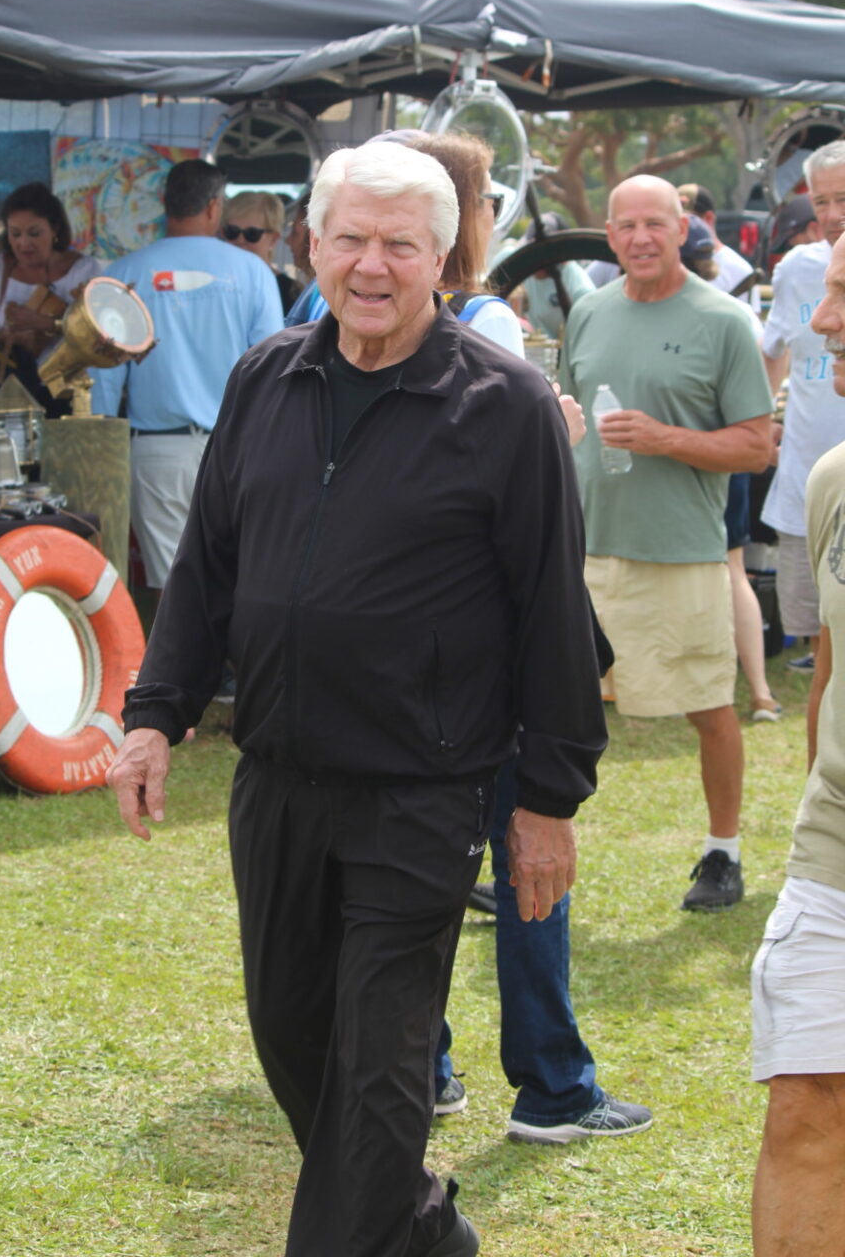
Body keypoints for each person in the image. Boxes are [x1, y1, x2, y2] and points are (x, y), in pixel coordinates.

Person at [106, 141, 609, 1257]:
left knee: (379, 1080)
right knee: (295, 1044)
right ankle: (428, 1235)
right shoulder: (263, 377)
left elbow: (549, 614)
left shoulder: (506, 405)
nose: (371, 265)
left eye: (400, 244)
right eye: (351, 238)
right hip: (276, 782)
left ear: (442, 257)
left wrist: (548, 801)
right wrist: (155, 712)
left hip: (420, 797)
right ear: (311, 245)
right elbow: (208, 567)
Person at [409, 131, 651, 1144]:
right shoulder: (486, 329)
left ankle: (423, 1063)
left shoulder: (348, 322)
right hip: (498, 648)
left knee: (422, 865)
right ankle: (551, 1083)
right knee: (529, 866)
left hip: (410, 648)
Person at [560, 175, 773, 912]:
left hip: (680, 552)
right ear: (609, 234)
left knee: (709, 706)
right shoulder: (588, 312)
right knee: (538, 706)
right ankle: (525, 852)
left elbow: (756, 446)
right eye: (626, 225)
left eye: (656, 222)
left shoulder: (722, 321)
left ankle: (724, 855)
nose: (642, 238)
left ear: (682, 227)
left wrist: (664, 439)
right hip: (582, 554)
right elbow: (568, 419)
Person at [750, 227, 845, 1257]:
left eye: (843, 296)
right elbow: (826, 672)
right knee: (805, 1111)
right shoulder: (830, 480)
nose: (821, 322)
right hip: (837, 853)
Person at [91, 158, 283, 593]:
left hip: (157, 454)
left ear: (165, 203)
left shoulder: (123, 275)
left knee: (172, 588)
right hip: (238, 450)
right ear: (215, 207)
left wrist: (104, 456)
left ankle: (182, 664)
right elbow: (272, 368)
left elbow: (103, 380)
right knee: (239, 581)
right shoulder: (252, 272)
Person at [680, 218, 780, 723]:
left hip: (702, 460)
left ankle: (720, 691)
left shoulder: (701, 314)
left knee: (714, 572)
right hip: (731, 453)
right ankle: (759, 690)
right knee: (734, 569)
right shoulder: (739, 312)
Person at [760, 142, 845, 675]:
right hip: (808, 487)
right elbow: (774, 351)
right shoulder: (796, 269)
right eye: (822, 202)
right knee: (823, 659)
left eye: (844, 199)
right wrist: (765, 419)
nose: (833, 215)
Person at [0, 182, 100, 361]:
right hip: (8, 384)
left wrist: (48, 324)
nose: (23, 244)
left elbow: (98, 334)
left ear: (55, 229)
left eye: (34, 233)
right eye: (15, 234)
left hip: (70, 384)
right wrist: (3, 337)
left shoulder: (84, 270)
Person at [678, 182, 761, 311]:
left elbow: (752, 323)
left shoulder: (738, 269)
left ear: (709, 218)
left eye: (688, 219)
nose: (681, 225)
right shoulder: (671, 262)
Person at [222, 189, 301, 315]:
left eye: (252, 234)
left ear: (274, 239)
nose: (240, 240)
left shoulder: (291, 292)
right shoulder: (215, 284)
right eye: (232, 231)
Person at [518, 212, 595, 339]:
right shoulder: (521, 270)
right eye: (532, 252)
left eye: (543, 253)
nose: (536, 259)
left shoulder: (581, 290)